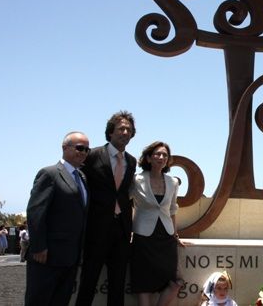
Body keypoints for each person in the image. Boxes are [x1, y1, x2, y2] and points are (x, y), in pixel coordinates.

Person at [76, 111, 137, 306]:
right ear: (110, 132)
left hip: (121, 231)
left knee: (117, 285)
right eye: (121, 128)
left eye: (129, 129)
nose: (125, 132)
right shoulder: (93, 155)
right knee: (88, 282)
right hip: (96, 230)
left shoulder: (131, 161)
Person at [24, 131, 90, 306]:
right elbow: (35, 211)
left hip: (71, 257)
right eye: (79, 148)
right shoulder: (49, 173)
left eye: (86, 150)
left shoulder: (82, 178)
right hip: (47, 256)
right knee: (39, 300)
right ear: (64, 148)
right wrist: (39, 247)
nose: (83, 152)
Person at [130, 141, 186, 306]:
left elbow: (173, 209)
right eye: (157, 154)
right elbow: (125, 203)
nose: (161, 157)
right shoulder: (136, 180)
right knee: (143, 283)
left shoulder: (173, 182)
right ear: (148, 158)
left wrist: (175, 235)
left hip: (166, 237)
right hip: (143, 236)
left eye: (165, 155)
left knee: (175, 282)